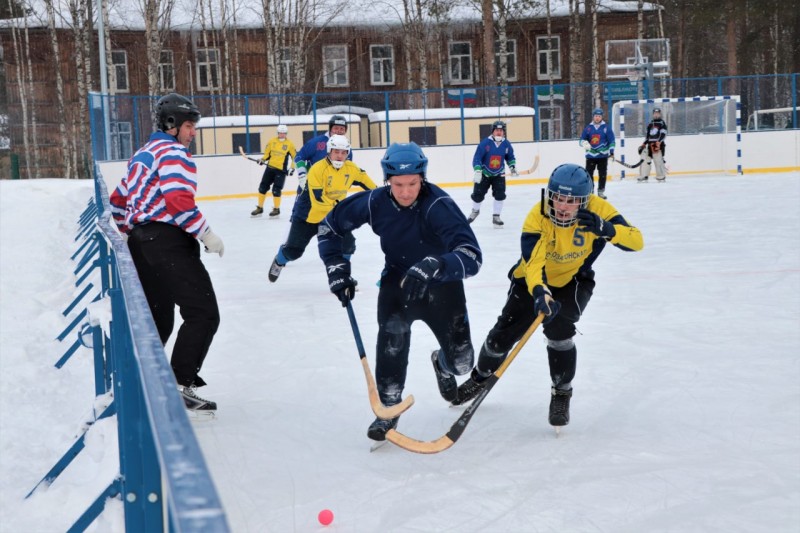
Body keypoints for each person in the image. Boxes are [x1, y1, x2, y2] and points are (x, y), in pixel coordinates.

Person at [452, 163, 643, 431]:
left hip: (573, 280)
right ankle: (480, 377)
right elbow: (533, 264)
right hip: (533, 279)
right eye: (558, 198)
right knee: (501, 336)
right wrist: (540, 291)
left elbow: (637, 241)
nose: (563, 207)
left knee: (560, 331)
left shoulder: (600, 211)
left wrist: (608, 230)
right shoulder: (537, 216)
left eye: (571, 201)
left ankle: (562, 392)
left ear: (585, 201)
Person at [317, 142, 483, 442]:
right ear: (387, 181)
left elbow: (471, 256)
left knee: (463, 363)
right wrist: (336, 267)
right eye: (398, 184)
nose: (406, 192)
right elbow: (330, 227)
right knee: (392, 338)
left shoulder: (438, 205)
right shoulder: (374, 202)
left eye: (413, 184)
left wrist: (437, 264)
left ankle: (442, 364)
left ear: (423, 179)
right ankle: (388, 410)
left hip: (442, 285)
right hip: (398, 281)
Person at [109, 93, 224, 414]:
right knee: (203, 313)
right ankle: (178, 385)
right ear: (172, 125)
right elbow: (178, 200)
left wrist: (132, 234)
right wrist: (206, 233)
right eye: (189, 125)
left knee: (159, 319)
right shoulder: (175, 153)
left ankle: (140, 381)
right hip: (168, 241)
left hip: (141, 244)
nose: (193, 132)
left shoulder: (143, 153)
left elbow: (118, 202)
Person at [268, 134, 376, 282]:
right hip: (308, 216)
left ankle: (343, 274)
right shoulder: (317, 170)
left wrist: (384, 197)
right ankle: (279, 261)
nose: (340, 156)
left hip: (332, 216)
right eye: (336, 151)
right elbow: (318, 201)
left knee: (348, 244)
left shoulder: (352, 169)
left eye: (344, 152)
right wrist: (343, 210)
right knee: (294, 252)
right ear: (329, 151)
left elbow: (371, 187)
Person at [467, 120, 518, 227]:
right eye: (497, 130)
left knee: (500, 195)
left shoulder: (506, 144)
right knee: (477, 195)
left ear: (503, 132)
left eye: (501, 130)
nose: (499, 132)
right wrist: (477, 170)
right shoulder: (485, 143)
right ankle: (475, 211)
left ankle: (496, 216)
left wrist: (512, 167)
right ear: (493, 131)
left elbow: (510, 157)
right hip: (484, 173)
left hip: (499, 174)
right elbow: (477, 158)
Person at [294, 114, 352, 192]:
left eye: (342, 129)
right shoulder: (316, 142)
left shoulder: (347, 148)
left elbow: (347, 167)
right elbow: (299, 156)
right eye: (336, 128)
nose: (338, 131)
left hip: (332, 190)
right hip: (310, 186)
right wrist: (302, 174)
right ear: (330, 128)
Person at [251, 124, 297, 218]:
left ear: (286, 134)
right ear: (278, 133)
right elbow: (267, 155)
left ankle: (276, 209)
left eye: (284, 133)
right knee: (262, 188)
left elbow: (295, 157)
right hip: (270, 169)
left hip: (280, 171)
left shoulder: (290, 144)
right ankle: (260, 208)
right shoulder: (272, 142)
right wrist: (262, 160)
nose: (282, 135)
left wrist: (292, 168)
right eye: (280, 133)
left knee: (276, 190)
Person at [580, 108, 615, 199]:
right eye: (596, 116)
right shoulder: (588, 128)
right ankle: (590, 191)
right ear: (593, 116)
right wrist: (584, 143)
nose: (597, 118)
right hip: (590, 156)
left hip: (602, 156)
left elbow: (612, 140)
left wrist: (611, 151)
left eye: (599, 116)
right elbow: (581, 140)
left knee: (602, 174)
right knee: (589, 174)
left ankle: (601, 191)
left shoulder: (606, 128)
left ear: (601, 117)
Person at [637, 107, 668, 182]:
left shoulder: (662, 123)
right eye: (655, 113)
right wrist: (643, 144)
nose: (656, 115)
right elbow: (648, 136)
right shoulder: (650, 124)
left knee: (658, 160)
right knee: (644, 159)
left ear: (660, 114)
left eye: (657, 113)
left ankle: (661, 177)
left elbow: (663, 133)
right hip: (649, 145)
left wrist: (659, 142)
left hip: (657, 144)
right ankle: (644, 176)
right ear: (653, 114)